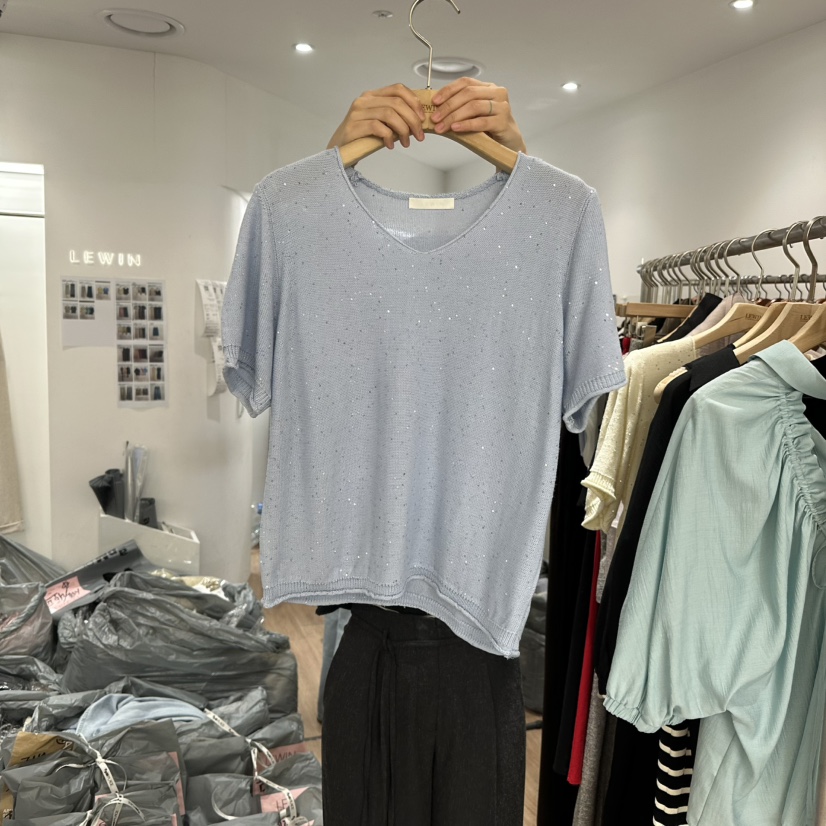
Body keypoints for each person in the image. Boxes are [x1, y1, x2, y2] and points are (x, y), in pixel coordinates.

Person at [319, 78, 529, 826]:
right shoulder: (307, 238)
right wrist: (328, 170)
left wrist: (528, 181)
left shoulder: (549, 236)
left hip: (481, 641)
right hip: (368, 637)